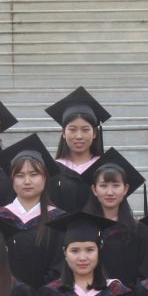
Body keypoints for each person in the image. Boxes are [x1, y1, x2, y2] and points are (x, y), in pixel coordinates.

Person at [0, 133, 64, 287]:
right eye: (20, 175)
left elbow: (59, 266)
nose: (27, 181)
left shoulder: (58, 220)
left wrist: (41, 294)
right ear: (11, 180)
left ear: (45, 178)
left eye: (34, 174)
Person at [81, 149, 148, 288]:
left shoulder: (140, 231)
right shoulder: (83, 229)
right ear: (94, 190)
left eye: (116, 185)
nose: (110, 192)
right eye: (103, 186)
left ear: (125, 189)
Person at [46, 86, 110, 214]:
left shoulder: (104, 166)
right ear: (63, 133)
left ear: (94, 133)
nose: (79, 136)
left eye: (85, 130)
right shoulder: (52, 170)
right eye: (72, 129)